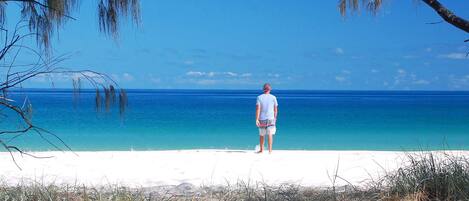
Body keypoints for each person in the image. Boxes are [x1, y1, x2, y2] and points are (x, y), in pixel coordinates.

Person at [256, 83, 278, 153]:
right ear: (270, 89)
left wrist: (256, 119)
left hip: (262, 118)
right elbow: (275, 109)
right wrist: (275, 118)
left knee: (262, 135)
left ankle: (261, 150)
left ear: (263, 89)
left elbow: (258, 109)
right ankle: (270, 151)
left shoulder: (259, 97)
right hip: (271, 118)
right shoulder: (273, 97)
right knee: (270, 134)